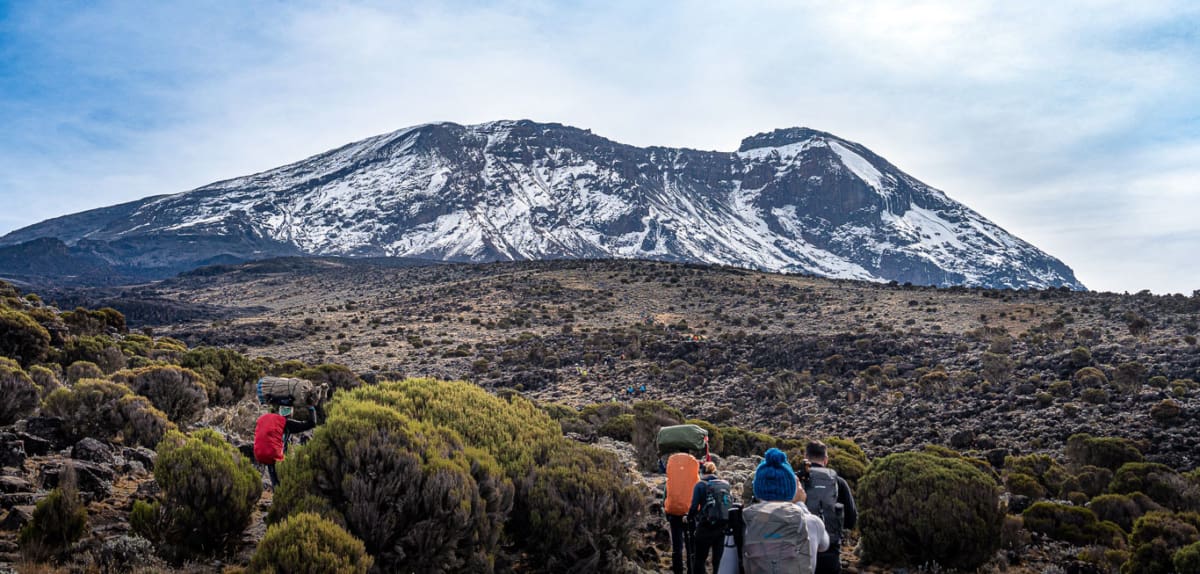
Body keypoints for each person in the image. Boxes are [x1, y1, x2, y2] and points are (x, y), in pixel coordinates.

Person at [741, 448, 813, 574]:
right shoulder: (804, 519)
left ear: (758, 488)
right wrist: (801, 503)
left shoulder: (745, 519)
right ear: (791, 489)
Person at [802, 441, 858, 574]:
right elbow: (851, 520)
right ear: (826, 460)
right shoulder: (839, 482)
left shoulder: (796, 480)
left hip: (800, 551)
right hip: (830, 552)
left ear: (805, 457)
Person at [253, 405, 318, 487]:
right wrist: (311, 407)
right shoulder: (288, 424)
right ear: (290, 412)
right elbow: (312, 423)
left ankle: (277, 496)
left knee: (275, 483)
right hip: (280, 458)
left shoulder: (274, 422)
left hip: (270, 455)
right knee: (283, 483)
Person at [688, 461, 731, 574]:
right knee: (717, 560)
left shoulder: (700, 485)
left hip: (705, 526)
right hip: (722, 527)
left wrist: (689, 518)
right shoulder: (725, 484)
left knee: (699, 559)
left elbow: (693, 507)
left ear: (702, 472)